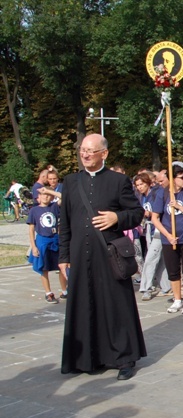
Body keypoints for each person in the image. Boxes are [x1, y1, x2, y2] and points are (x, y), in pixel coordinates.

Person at [59, 134, 146, 381]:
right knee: (83, 304)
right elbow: (64, 222)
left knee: (116, 305)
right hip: (79, 254)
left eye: (91, 151)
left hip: (108, 255)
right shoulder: (70, 181)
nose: (85, 154)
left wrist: (117, 218)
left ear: (104, 154)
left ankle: (124, 358)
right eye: (82, 150)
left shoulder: (118, 181)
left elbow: (136, 213)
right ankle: (86, 358)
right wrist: (63, 256)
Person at [151, 164, 183, 315]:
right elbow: (155, 218)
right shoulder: (163, 193)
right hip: (169, 239)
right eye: (182, 177)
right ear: (173, 179)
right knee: (173, 271)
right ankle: (177, 299)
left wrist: (179, 207)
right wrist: (168, 235)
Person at [135, 172, 171, 301]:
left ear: (148, 183)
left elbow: (158, 212)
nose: (140, 187)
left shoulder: (155, 194)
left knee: (150, 259)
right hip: (148, 229)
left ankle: (146, 287)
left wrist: (148, 213)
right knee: (159, 259)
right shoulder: (140, 196)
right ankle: (166, 286)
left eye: (142, 184)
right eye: (137, 185)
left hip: (158, 228)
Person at [27, 188, 67, 303]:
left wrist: (49, 191)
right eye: (43, 195)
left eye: (47, 195)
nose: (45, 197)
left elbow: (63, 196)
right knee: (43, 268)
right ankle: (48, 293)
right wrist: (33, 247)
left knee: (61, 266)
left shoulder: (54, 207)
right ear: (38, 198)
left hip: (55, 239)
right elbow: (31, 229)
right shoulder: (34, 210)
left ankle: (65, 291)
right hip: (42, 240)